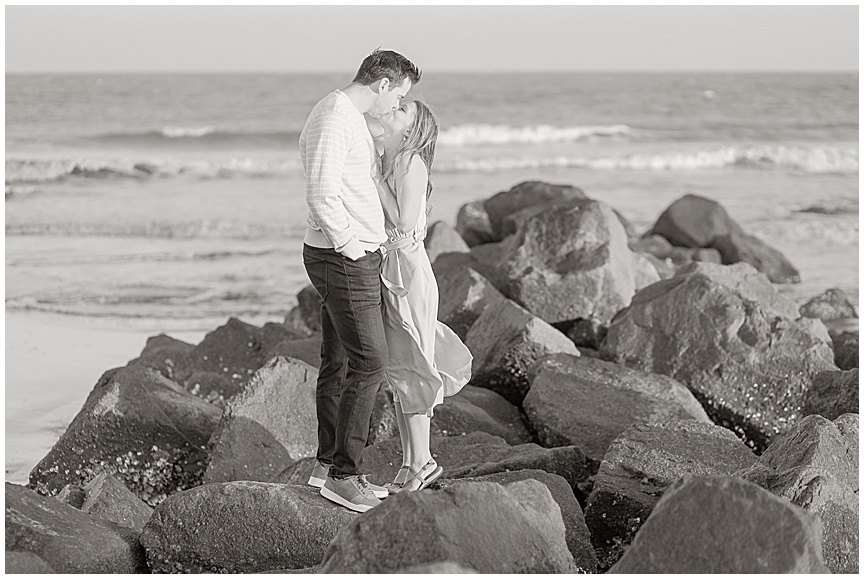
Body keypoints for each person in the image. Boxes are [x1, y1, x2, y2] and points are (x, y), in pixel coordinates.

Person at [300, 49, 421, 513]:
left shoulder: (343, 114)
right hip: (343, 258)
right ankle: (344, 477)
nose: (395, 107)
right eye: (398, 97)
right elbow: (321, 191)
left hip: (343, 255)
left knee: (340, 361)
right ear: (384, 83)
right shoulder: (335, 116)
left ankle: (325, 465)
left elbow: (348, 184)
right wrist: (353, 245)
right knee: (370, 362)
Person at [368, 100, 473, 493]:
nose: (394, 108)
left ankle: (424, 461)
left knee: (414, 366)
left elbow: (404, 220)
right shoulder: (388, 159)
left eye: (403, 109)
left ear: (413, 131)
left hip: (407, 273)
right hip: (393, 269)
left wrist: (374, 180)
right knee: (400, 371)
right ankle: (411, 462)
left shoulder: (410, 163)